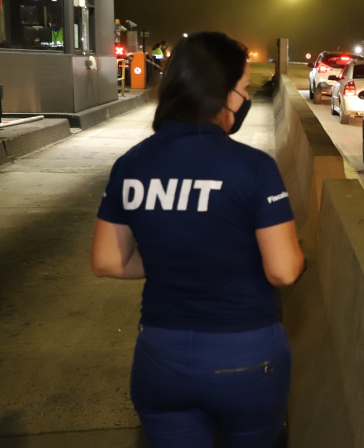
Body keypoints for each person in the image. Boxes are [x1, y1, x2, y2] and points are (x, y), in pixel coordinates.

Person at [91, 31, 304, 447]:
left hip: (161, 357)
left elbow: (108, 261)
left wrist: (178, 260)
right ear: (221, 95)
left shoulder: (130, 165)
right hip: (245, 357)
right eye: (242, 89)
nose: (244, 100)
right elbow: (282, 270)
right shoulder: (253, 168)